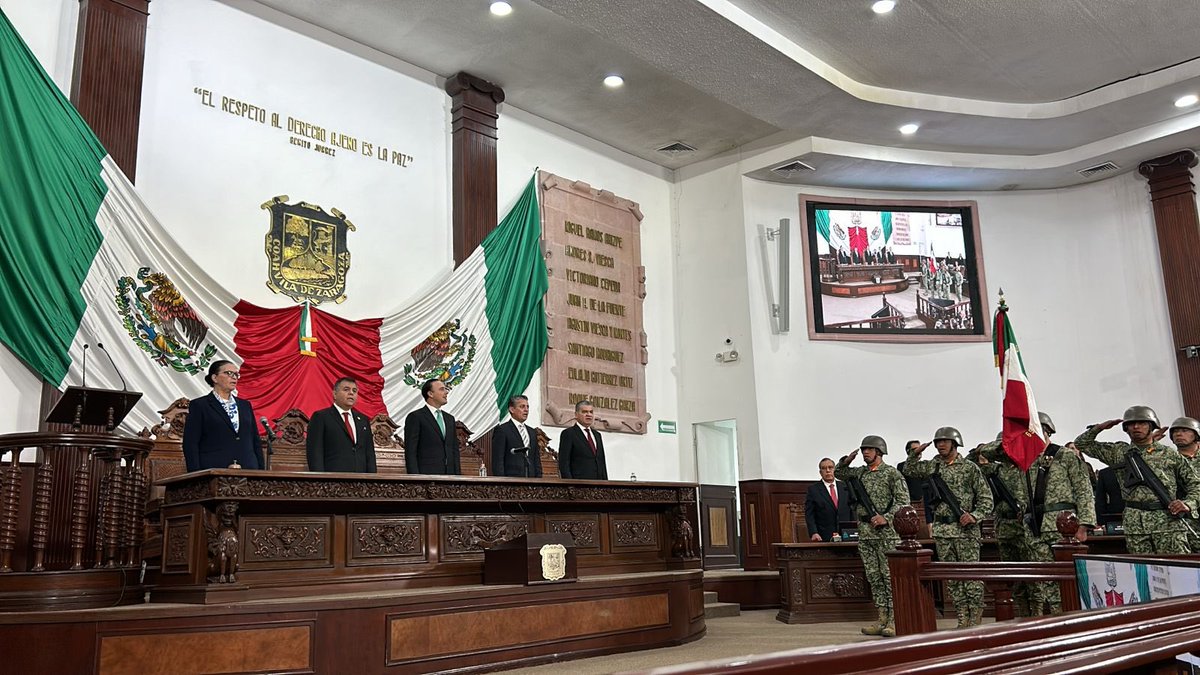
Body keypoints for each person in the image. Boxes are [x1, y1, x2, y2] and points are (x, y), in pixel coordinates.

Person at [1074, 406, 1200, 554]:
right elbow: (1082, 444)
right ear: (1125, 428)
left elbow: (1196, 484)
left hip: (1167, 521)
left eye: (1142, 423)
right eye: (1130, 424)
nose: (1136, 427)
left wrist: (1187, 504)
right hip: (1135, 522)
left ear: (1152, 426)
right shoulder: (1118, 452)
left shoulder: (1169, 455)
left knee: (1177, 569)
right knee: (1141, 572)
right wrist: (1099, 428)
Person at [902, 426, 992, 628]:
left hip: (965, 531)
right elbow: (909, 469)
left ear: (955, 443)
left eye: (944, 441)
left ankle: (975, 616)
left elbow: (986, 499)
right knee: (952, 578)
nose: (940, 445)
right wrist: (915, 453)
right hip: (944, 531)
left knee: (970, 575)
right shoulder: (933, 466)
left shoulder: (969, 468)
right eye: (937, 442)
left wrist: (974, 516)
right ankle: (962, 617)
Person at [836, 435, 908, 638]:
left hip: (888, 535)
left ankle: (895, 620)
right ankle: (882, 617)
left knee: (889, 578)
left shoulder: (892, 474)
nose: (865, 452)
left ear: (879, 452)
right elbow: (840, 473)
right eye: (863, 449)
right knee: (874, 578)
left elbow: (903, 501)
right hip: (866, 535)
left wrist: (886, 517)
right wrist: (845, 461)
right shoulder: (859, 473)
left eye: (869, 449)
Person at [182, 360, 264, 472]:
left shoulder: (245, 405)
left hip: (248, 468)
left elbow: (255, 440)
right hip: (214, 469)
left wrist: (261, 471)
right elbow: (191, 443)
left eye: (236, 374)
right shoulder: (200, 405)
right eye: (229, 373)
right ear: (214, 378)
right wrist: (195, 474)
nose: (234, 377)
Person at [305, 377, 377, 473]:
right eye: (346, 389)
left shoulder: (363, 420)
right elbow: (315, 454)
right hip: (333, 481)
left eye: (354, 391)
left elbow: (369, 454)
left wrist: (372, 481)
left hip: (361, 481)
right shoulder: (321, 417)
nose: (351, 393)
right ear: (335, 394)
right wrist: (320, 481)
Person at [404, 379, 461, 475]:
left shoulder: (449, 419)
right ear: (430, 394)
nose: (446, 392)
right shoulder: (416, 417)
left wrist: (458, 476)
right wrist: (414, 478)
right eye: (442, 389)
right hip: (426, 476)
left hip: (450, 477)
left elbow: (454, 450)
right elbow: (411, 451)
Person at [1168, 416, 1200, 551]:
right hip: (1185, 520)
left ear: (1196, 434)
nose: (1179, 434)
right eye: (1175, 432)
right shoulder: (1168, 461)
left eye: (1184, 430)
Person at [491, 394, 543, 478]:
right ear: (512, 409)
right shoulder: (502, 430)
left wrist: (539, 479)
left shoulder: (532, 432)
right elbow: (498, 461)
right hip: (511, 481)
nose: (526, 410)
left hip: (532, 482)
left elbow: (536, 459)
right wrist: (501, 484)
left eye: (527, 407)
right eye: (522, 407)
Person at [558, 400, 608, 480]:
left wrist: (606, 485)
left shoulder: (597, 435)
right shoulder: (569, 434)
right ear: (576, 415)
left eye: (591, 412)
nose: (589, 415)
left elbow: (602, 462)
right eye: (585, 412)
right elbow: (564, 463)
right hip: (579, 486)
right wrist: (570, 486)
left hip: (599, 486)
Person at [804, 458, 851, 542]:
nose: (828, 470)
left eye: (830, 467)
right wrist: (814, 532)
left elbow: (852, 510)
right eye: (824, 468)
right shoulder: (813, 490)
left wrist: (854, 531)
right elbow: (809, 515)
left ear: (835, 470)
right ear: (820, 472)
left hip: (846, 535)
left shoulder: (845, 487)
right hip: (824, 537)